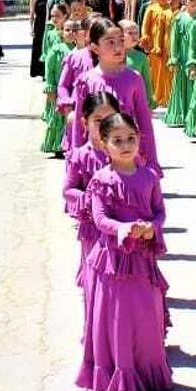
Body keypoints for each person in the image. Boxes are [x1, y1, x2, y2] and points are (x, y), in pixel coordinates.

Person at [75, 109, 173, 391]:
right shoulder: (101, 179)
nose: (126, 145)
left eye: (131, 138)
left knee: (145, 312)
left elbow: (159, 212)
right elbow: (101, 218)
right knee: (117, 316)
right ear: (104, 143)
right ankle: (117, 373)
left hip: (142, 258)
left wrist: (152, 228)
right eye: (118, 140)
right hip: (112, 260)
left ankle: (149, 371)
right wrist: (125, 229)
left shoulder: (149, 177)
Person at [68, 19, 159, 173]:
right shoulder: (85, 81)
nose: (118, 47)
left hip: (127, 160)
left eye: (121, 41)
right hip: (95, 162)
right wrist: (75, 163)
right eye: (110, 42)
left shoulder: (134, 79)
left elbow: (145, 125)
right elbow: (79, 126)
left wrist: (151, 162)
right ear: (95, 48)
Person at [64, 91, 117, 287]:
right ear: (85, 124)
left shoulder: (127, 153)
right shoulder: (80, 156)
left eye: (110, 119)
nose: (105, 125)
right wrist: (89, 197)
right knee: (96, 281)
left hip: (119, 225)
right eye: (98, 120)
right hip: (92, 227)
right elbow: (68, 190)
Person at [40, 18, 77, 156]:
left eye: (74, 30)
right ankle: (57, 145)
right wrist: (50, 87)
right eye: (68, 30)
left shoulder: (79, 50)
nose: (71, 33)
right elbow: (49, 70)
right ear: (62, 32)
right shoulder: (55, 50)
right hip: (58, 89)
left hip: (73, 91)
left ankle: (71, 144)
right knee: (57, 118)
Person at [165, 0, 196, 128]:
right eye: (191, 0)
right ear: (185, 1)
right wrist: (173, 57)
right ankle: (182, 115)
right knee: (182, 84)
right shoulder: (179, 18)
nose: (194, 2)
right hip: (183, 56)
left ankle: (194, 116)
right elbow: (174, 40)